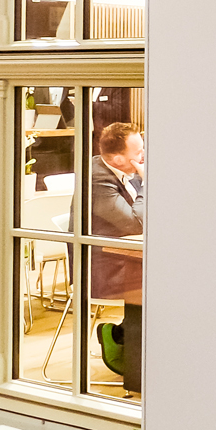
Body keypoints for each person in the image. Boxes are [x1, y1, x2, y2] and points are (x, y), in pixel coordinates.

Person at [89, 122, 144, 391]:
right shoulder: (98, 179)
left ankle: (125, 338)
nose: (144, 156)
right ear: (118, 159)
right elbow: (136, 224)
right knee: (166, 283)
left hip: (127, 257)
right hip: (103, 267)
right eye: (139, 151)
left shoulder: (119, 170)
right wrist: (147, 183)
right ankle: (125, 344)